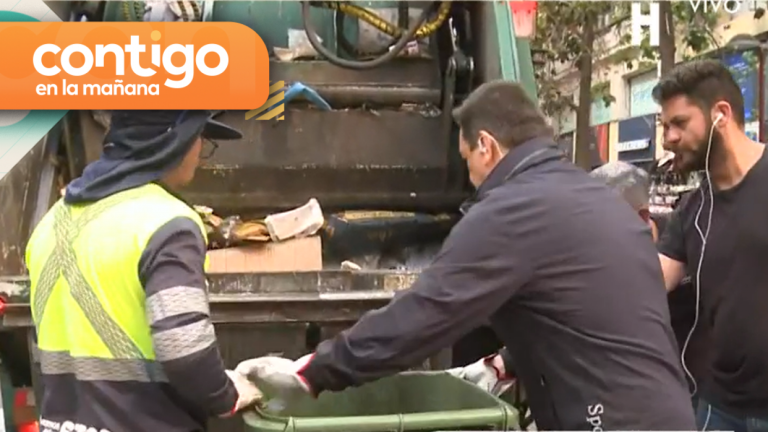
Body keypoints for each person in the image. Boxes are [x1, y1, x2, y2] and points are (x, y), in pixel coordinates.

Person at [236, 81, 696, 430]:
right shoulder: (594, 198)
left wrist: (313, 371)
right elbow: (593, 312)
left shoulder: (511, 209)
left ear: (486, 146)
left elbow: (423, 316)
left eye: (467, 160)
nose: (473, 177)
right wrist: (503, 365)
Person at [25, 110, 262, 432]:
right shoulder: (167, 222)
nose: (201, 156)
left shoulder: (51, 222)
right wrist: (226, 395)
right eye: (200, 140)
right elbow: (184, 350)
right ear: (173, 142)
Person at [654, 59, 768, 432]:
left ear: (721, 113)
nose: (668, 137)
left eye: (679, 124)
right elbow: (647, 281)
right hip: (720, 407)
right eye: (664, 127)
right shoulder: (692, 209)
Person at [590, 162, 710, 409]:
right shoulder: (599, 258)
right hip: (640, 385)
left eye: (603, 222)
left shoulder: (686, 236)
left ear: (642, 218)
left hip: (700, 384)